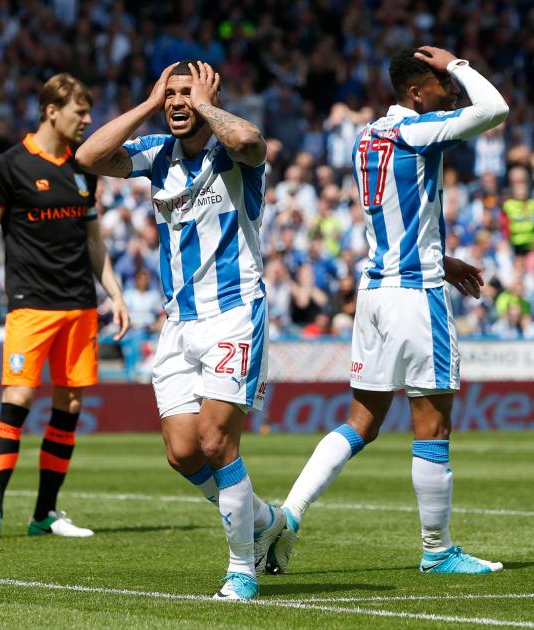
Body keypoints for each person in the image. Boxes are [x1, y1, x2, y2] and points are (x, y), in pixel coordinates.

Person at [266, 46, 509, 576]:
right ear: (416, 92)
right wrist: (462, 64)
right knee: (433, 426)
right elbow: (495, 111)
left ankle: (288, 515)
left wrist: (438, 257)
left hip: (375, 292)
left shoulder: (366, 137)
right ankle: (438, 550)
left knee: (361, 422)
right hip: (414, 298)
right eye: (441, 84)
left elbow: (395, 214)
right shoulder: (418, 131)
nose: (450, 91)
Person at [77, 60, 283, 601]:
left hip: (235, 312)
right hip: (179, 322)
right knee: (183, 453)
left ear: (209, 97)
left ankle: (243, 568)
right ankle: (264, 519)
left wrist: (206, 104)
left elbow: (250, 138)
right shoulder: (156, 155)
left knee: (217, 442)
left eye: (184, 94)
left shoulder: (235, 154)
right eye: (170, 95)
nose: (175, 103)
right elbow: (89, 156)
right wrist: (148, 103)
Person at [0, 74, 130, 540]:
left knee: (70, 404)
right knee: (17, 398)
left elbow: (93, 240)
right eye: (80, 111)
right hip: (30, 304)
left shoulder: (84, 169)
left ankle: (44, 513)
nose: (87, 120)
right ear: (51, 111)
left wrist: (114, 294)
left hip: (79, 305)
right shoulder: (9, 165)